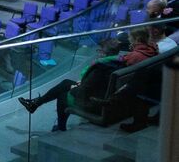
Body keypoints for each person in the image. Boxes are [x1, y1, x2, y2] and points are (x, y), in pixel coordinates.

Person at [18, 28, 159, 131]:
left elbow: (86, 90)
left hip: (97, 100)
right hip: (115, 93)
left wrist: (76, 88)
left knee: (63, 94)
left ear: (103, 53)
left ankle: (59, 126)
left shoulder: (106, 66)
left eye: (100, 51)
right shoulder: (150, 52)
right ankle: (36, 104)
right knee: (66, 83)